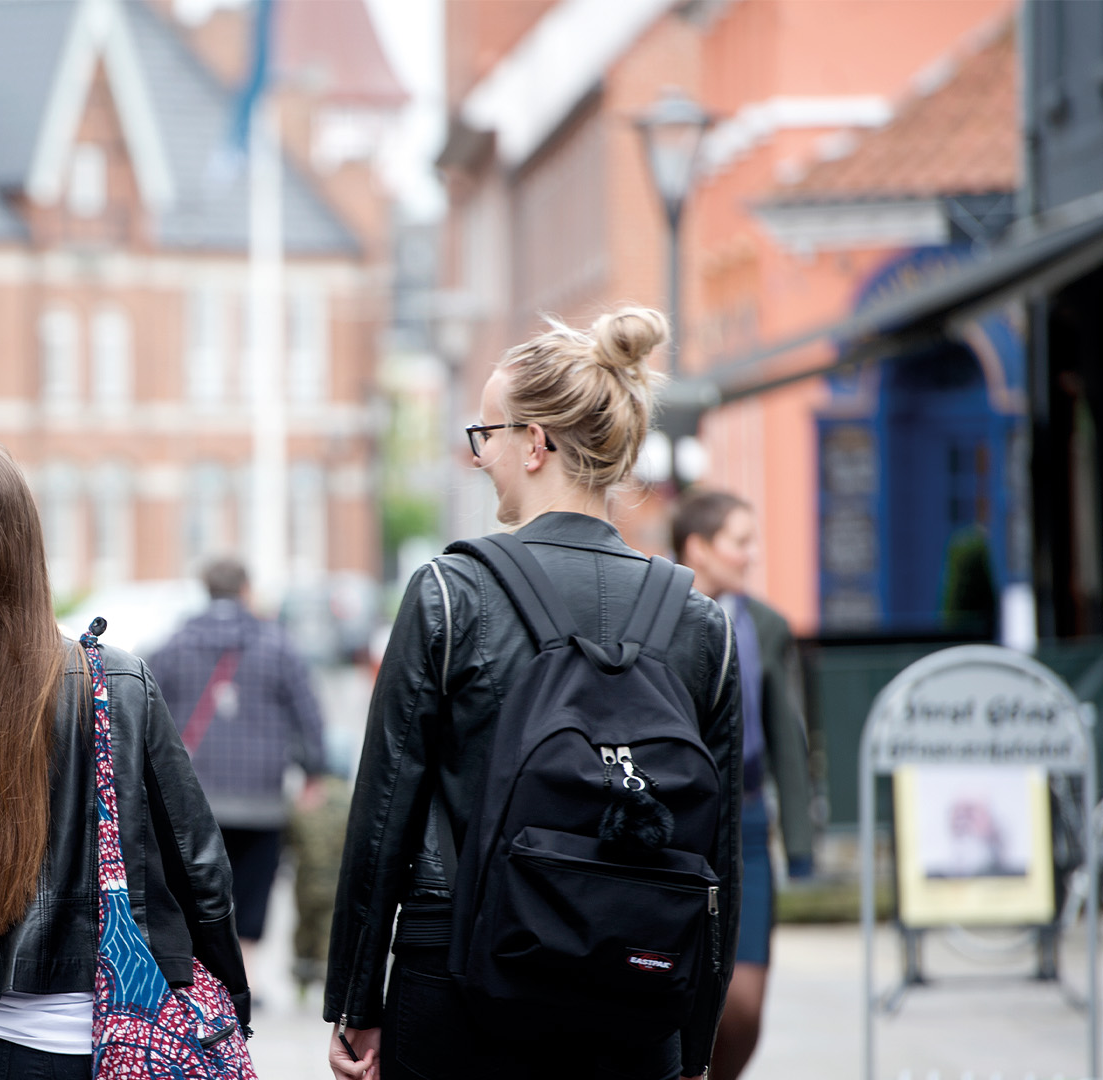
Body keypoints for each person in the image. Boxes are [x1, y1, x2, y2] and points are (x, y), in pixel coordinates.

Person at [322, 308, 743, 1080]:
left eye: (486, 436)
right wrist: (695, 1036)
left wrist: (356, 1003)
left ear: (536, 442)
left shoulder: (453, 593)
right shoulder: (699, 622)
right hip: (635, 984)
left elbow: (385, 815)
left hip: (460, 976)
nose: (478, 458)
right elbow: (718, 850)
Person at [0, 439, 250, 1080]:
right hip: (113, 1040)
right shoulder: (117, 683)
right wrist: (231, 1006)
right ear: (27, 545)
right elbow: (202, 869)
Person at [673, 489, 816, 1080]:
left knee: (745, 1006)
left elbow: (790, 736)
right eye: (740, 541)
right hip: (678, 832)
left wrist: (803, 841)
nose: (752, 554)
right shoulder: (657, 619)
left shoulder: (765, 625)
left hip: (750, 822)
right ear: (698, 548)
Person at [151, 556, 328, 987]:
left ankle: (201, 975)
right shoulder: (278, 643)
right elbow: (307, 713)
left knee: (194, 882)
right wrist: (314, 771)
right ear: (245, 590)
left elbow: (144, 709)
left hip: (193, 797)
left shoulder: (173, 645)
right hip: (261, 795)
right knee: (253, 883)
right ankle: (242, 973)